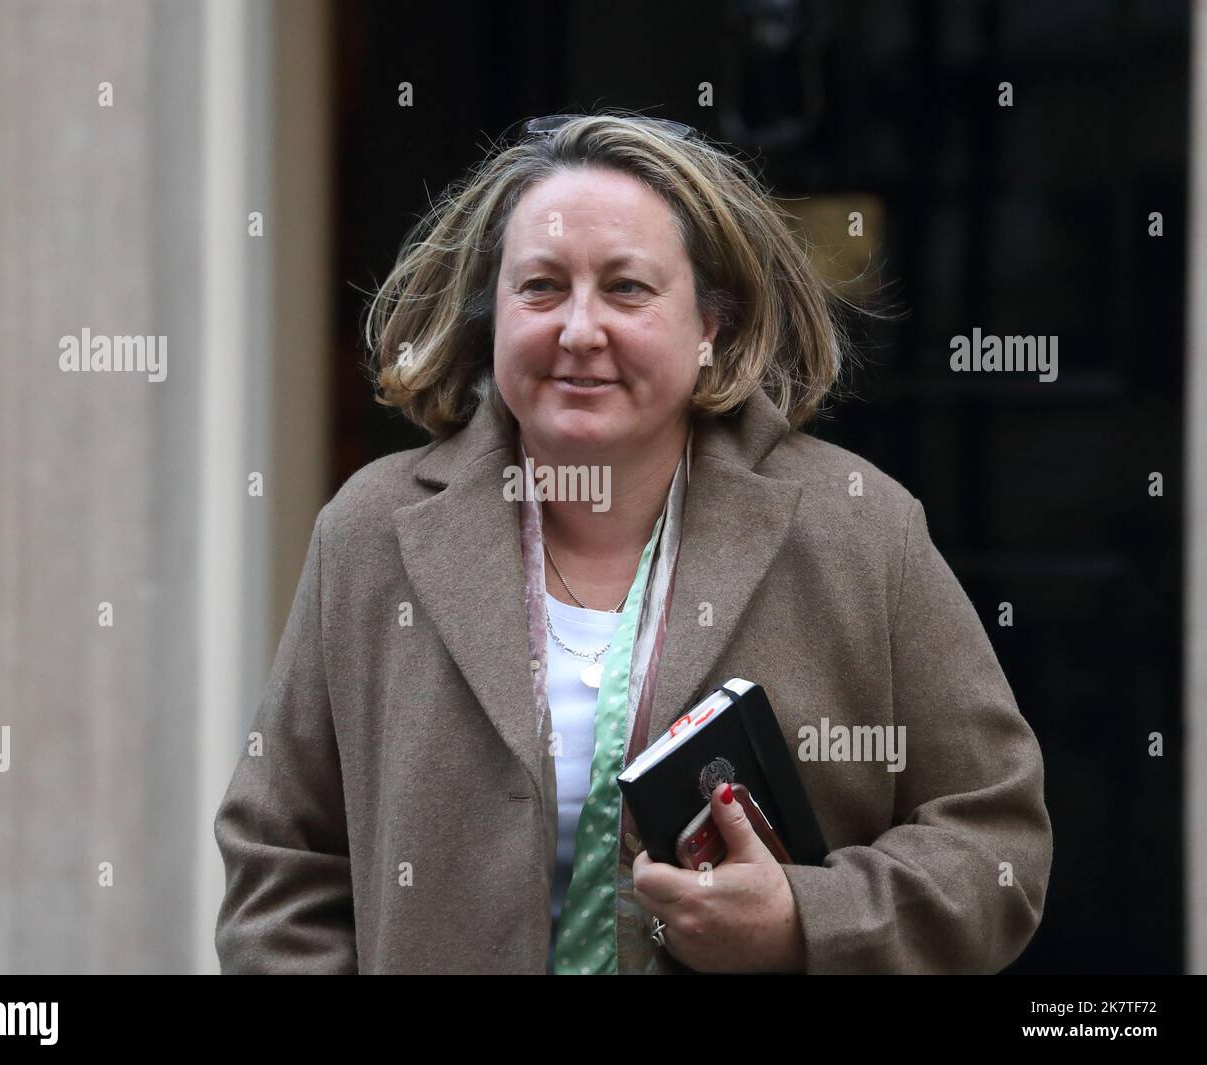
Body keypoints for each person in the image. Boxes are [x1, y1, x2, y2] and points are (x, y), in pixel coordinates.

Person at [213, 112, 1052, 974]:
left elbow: (995, 844)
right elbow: (280, 860)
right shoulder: (371, 532)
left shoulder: (857, 527)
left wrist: (804, 918)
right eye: (540, 287)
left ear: (710, 325)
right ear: (489, 317)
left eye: (627, 288)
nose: (580, 330)